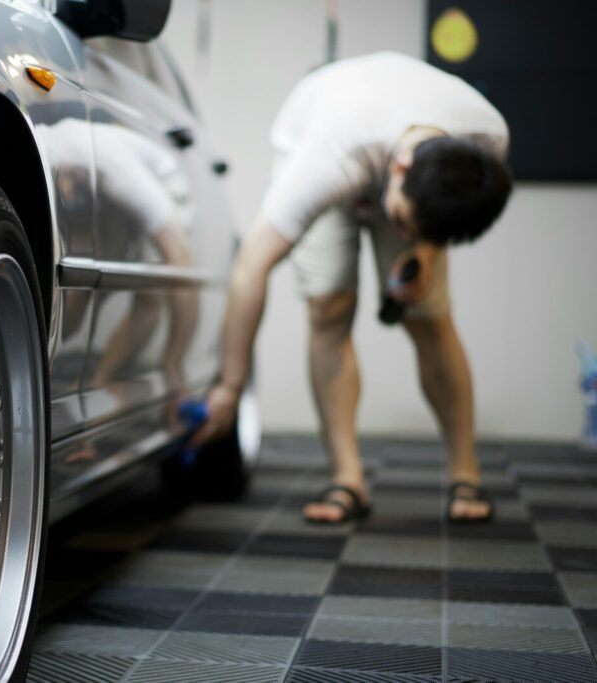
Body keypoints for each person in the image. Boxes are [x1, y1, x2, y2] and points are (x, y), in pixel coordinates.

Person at [191, 52, 513, 524]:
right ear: (401, 169)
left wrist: (423, 252)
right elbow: (251, 265)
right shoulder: (327, 158)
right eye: (401, 222)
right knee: (328, 307)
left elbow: (436, 220)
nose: (402, 232)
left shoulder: (486, 142)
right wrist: (231, 385)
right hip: (323, 132)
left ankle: (466, 470)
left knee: (428, 317)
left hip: (397, 152)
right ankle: (348, 479)